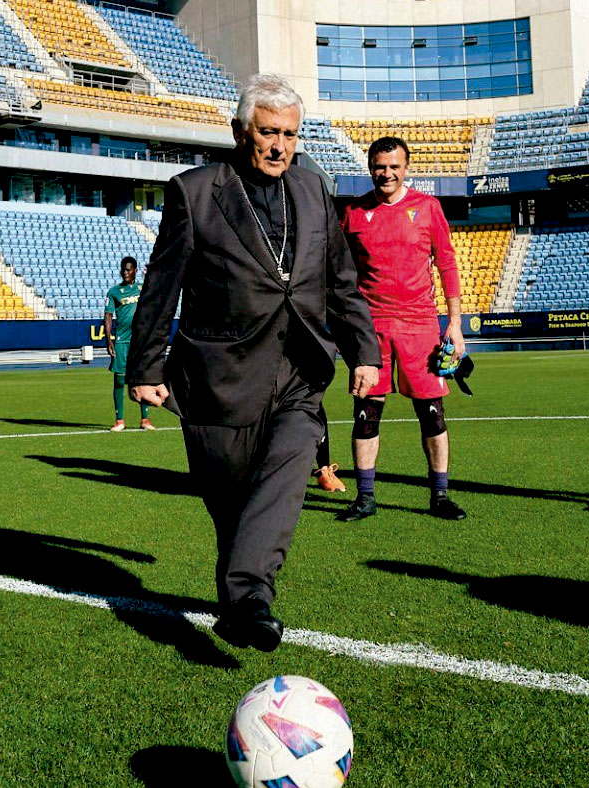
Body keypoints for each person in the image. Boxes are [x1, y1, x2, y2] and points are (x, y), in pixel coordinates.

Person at [128, 74, 380, 652]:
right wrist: (144, 367)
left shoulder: (314, 190)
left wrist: (363, 351)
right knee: (233, 511)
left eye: (289, 135)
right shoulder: (195, 192)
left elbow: (340, 281)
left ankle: (250, 600)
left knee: (288, 470)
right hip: (219, 379)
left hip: (298, 371)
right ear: (240, 132)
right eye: (268, 133)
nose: (279, 146)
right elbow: (162, 284)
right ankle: (238, 606)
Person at [336, 136, 467, 523]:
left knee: (432, 413)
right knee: (366, 413)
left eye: (394, 166)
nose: (387, 173)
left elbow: (446, 263)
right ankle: (365, 498)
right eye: (380, 166)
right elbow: (339, 273)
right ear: (370, 168)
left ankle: (440, 496)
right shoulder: (353, 212)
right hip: (370, 328)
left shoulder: (427, 207)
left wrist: (455, 324)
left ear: (406, 168)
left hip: (420, 326)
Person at [103, 256, 153, 432]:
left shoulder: (142, 288)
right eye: (123, 269)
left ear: (135, 271)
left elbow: (155, 299)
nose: (125, 272)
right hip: (122, 341)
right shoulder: (114, 292)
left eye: (128, 269)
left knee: (142, 379)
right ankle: (119, 420)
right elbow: (108, 316)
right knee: (119, 380)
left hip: (140, 342)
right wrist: (109, 339)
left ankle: (145, 419)